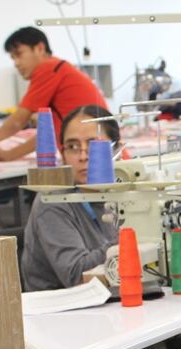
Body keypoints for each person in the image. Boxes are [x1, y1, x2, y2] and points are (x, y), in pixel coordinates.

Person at [21, 105, 119, 291]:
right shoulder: (52, 201)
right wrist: (127, 242)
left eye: (93, 144)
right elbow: (77, 275)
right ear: (63, 154)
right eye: (73, 147)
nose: (83, 156)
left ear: (116, 149)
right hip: (62, 305)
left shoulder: (123, 194)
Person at [0, 27, 106, 163]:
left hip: (91, 155)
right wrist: (8, 155)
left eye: (19, 54)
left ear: (40, 48)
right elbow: (47, 135)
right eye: (13, 58)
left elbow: (19, 119)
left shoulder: (48, 69)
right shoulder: (59, 69)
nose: (16, 63)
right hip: (99, 152)